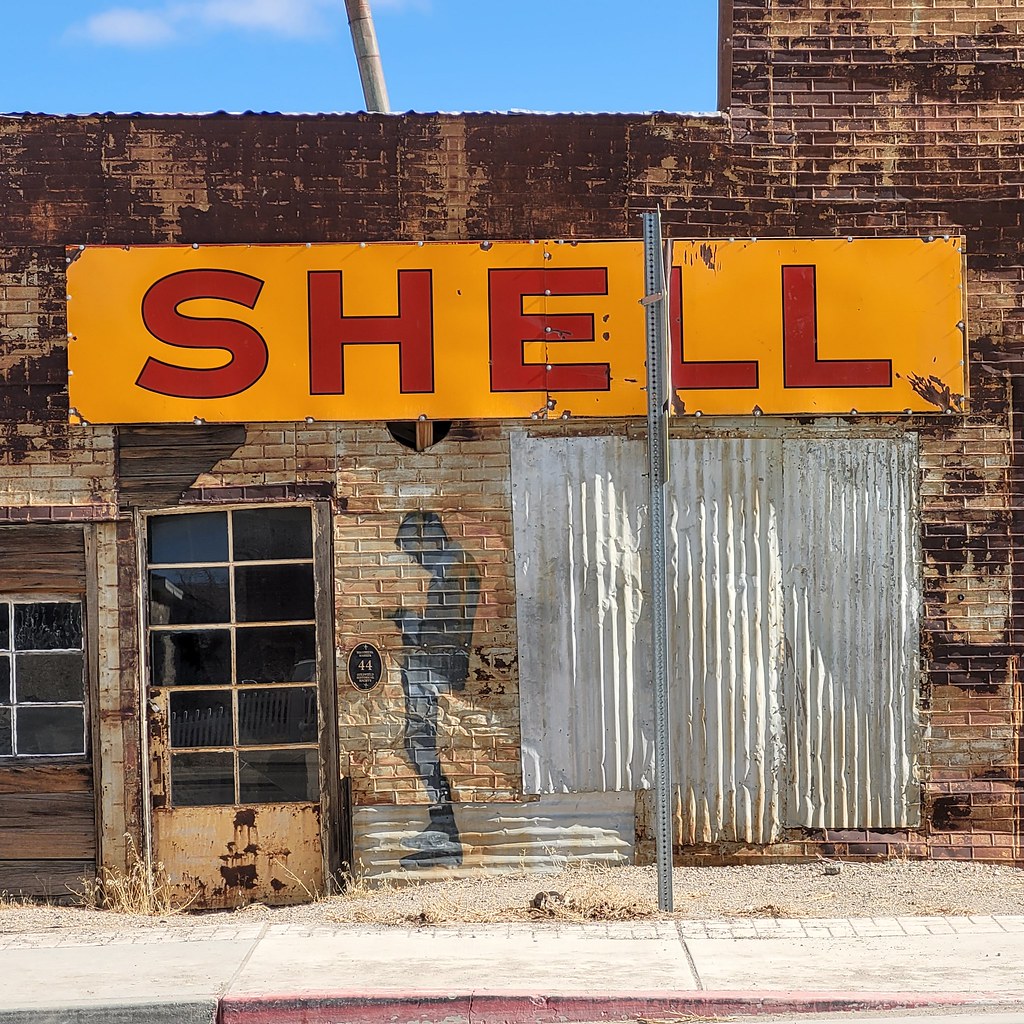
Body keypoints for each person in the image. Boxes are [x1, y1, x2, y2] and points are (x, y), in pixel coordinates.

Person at [391, 511, 479, 867]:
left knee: (420, 741)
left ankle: (446, 831)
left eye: (413, 549)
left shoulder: (454, 566)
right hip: (434, 667)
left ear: (428, 536)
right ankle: (441, 825)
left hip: (436, 669)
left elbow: (448, 630)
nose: (414, 559)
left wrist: (409, 623)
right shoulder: (453, 564)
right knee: (419, 742)